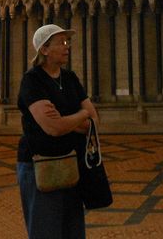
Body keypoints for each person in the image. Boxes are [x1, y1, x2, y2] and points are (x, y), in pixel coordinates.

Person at [17, 24, 99, 239]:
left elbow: (93, 119)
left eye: (67, 42)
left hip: (71, 164)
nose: (67, 46)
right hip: (40, 166)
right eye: (61, 42)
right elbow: (52, 128)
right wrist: (80, 115)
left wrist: (68, 117)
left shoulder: (70, 78)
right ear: (44, 49)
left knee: (73, 231)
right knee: (46, 231)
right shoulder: (32, 80)